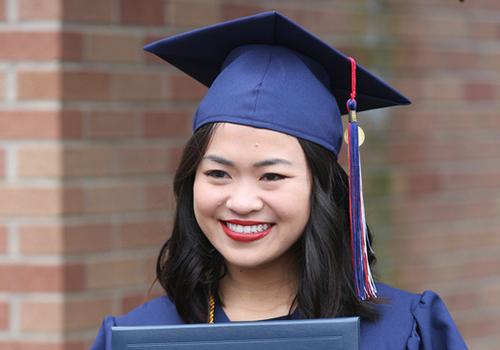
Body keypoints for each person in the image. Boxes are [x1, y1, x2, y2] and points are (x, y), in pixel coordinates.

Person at [91, 11, 467, 350]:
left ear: (321, 189)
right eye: (218, 174)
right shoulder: (137, 337)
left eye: (271, 176)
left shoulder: (404, 333)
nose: (241, 201)